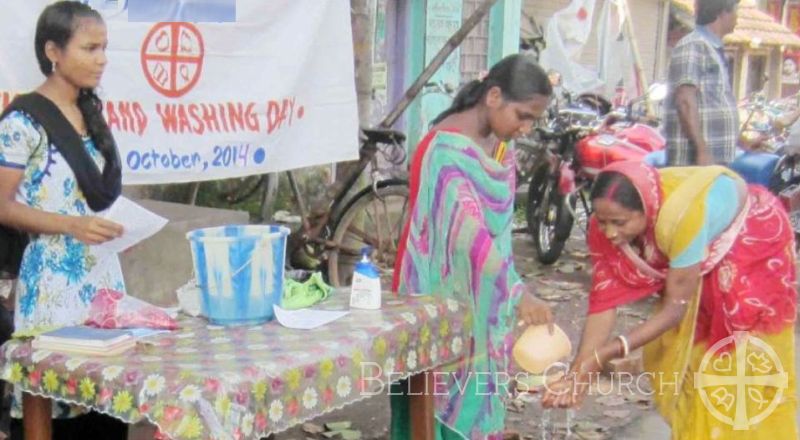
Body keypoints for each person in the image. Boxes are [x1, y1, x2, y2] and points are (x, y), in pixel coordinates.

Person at [542, 161, 797, 439]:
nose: (610, 232)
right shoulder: (604, 224)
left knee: (731, 363)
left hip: (751, 247)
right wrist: (580, 371)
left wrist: (606, 353)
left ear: (646, 211)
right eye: (603, 222)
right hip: (702, 252)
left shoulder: (681, 218)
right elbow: (604, 301)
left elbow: (674, 310)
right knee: (690, 359)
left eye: (619, 223)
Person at [390, 54, 555, 439]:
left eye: (534, 120)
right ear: (494, 96)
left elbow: (497, 232)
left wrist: (507, 287)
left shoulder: (499, 145)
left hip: (483, 289)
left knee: (477, 388)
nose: (527, 128)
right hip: (433, 290)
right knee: (431, 404)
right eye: (523, 116)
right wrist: (518, 292)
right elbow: (470, 235)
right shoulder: (445, 153)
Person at [0, 1, 127, 438]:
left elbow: (97, 195)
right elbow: (1, 204)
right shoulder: (22, 120)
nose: (102, 59)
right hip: (51, 277)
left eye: (105, 48)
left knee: (107, 394)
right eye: (90, 48)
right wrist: (71, 225)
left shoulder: (93, 113)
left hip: (103, 272)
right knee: (44, 390)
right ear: (53, 51)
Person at [664, 0, 740, 166]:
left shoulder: (713, 48)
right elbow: (684, 100)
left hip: (714, 159)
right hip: (695, 161)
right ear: (722, 12)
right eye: (735, 11)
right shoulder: (693, 45)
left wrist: (741, 141)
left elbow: (712, 102)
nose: (737, 17)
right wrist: (702, 150)